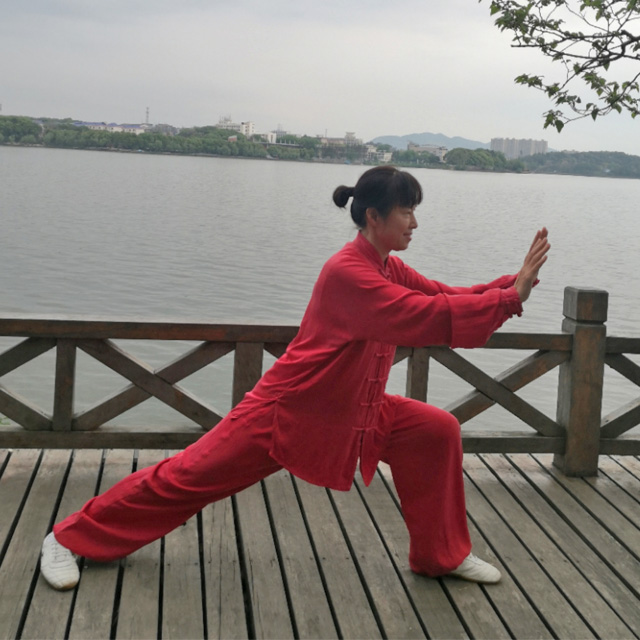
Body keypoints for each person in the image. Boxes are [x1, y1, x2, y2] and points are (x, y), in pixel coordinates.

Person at [41, 165, 549, 590]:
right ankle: (68, 538)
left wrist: (510, 284)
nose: (415, 223)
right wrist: (510, 299)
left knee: (435, 431)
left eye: (415, 211)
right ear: (374, 217)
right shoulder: (349, 272)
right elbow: (424, 316)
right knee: (186, 477)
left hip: (354, 408)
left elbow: (441, 296)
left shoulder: (386, 266)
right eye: (406, 211)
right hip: (289, 410)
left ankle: (441, 556)